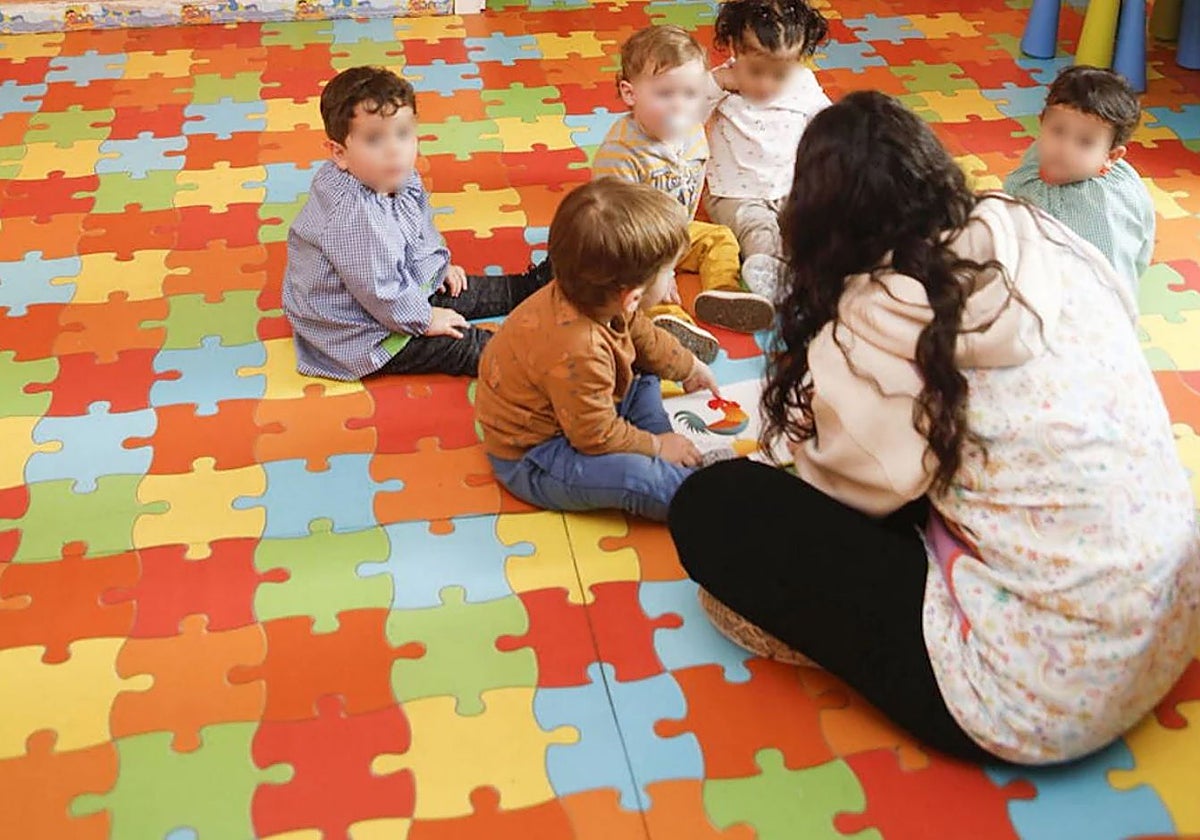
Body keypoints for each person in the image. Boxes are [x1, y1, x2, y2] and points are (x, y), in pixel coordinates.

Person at [669, 91, 1200, 765]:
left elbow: (845, 485)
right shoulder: (1032, 230)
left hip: (1039, 698)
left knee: (715, 504)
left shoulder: (881, 313)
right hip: (1166, 620)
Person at [475, 178, 723, 522]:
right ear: (632, 296)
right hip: (538, 454)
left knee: (644, 366)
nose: (672, 281)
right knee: (638, 479)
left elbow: (644, 336)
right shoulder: (579, 347)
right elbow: (594, 435)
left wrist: (689, 367)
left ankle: (662, 438)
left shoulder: (596, 295)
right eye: (670, 274)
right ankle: (700, 498)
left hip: (586, 406)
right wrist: (655, 448)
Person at [282, 65, 551, 380]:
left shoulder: (396, 174)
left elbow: (420, 230)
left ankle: (533, 286)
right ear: (339, 153)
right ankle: (538, 363)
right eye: (374, 139)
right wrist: (424, 319)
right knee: (458, 344)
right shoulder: (353, 216)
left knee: (465, 290)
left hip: (397, 288)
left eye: (403, 133)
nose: (394, 149)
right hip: (358, 328)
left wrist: (436, 267)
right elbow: (378, 291)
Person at [593, 25, 776, 359]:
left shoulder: (692, 133)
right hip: (636, 247)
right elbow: (618, 225)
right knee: (639, 286)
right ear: (630, 93)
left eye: (690, 94)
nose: (679, 106)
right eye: (665, 94)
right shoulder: (620, 153)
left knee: (720, 238)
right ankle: (667, 321)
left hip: (677, 232)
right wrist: (661, 269)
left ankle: (724, 294)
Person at [705, 0, 831, 299]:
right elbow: (681, 120)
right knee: (758, 230)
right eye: (757, 71)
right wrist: (715, 85)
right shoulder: (719, 83)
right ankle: (767, 272)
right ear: (734, 47)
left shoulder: (803, 82)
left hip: (789, 186)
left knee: (815, 221)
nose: (767, 85)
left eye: (779, 74)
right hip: (734, 192)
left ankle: (818, 269)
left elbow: (828, 124)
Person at [1004, 65, 1155, 295]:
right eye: (1057, 130)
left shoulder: (1101, 213)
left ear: (1110, 157)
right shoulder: (1039, 155)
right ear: (1042, 122)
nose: (1064, 148)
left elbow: (1112, 285)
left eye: (1085, 142)